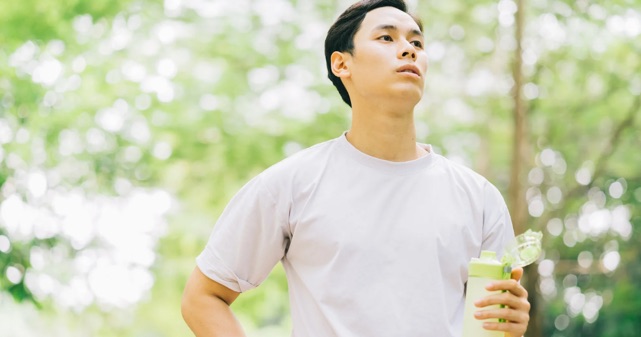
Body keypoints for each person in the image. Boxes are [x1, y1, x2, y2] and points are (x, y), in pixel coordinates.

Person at [181, 0, 531, 336]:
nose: (408, 49)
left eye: (417, 42)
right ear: (341, 64)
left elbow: (491, 325)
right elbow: (203, 297)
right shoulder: (291, 184)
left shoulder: (479, 198)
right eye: (386, 37)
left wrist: (510, 326)